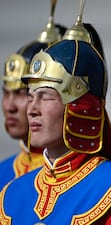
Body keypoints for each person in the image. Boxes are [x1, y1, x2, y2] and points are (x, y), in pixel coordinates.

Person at [0, 2, 111, 224]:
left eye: (45, 96)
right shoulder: (11, 195)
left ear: (80, 105)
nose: (32, 109)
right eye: (30, 96)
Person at [0, 0, 66, 190]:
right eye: (6, 93)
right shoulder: (3, 173)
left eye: (22, 93)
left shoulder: (96, 178)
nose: (10, 106)